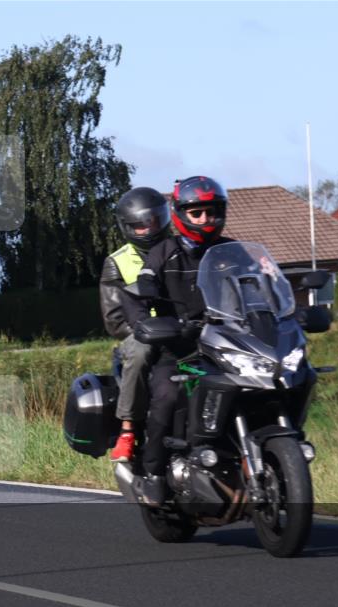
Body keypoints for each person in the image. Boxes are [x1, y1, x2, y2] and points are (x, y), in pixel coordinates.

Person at [130, 176, 235, 506]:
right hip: (179, 349)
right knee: (166, 395)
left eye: (212, 212)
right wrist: (151, 324)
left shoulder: (231, 252)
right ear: (181, 214)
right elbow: (139, 289)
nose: (206, 220)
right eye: (197, 213)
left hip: (227, 346)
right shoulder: (164, 253)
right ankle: (154, 474)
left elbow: (260, 284)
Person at [100, 187, 169, 463]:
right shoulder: (116, 263)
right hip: (142, 334)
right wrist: (150, 332)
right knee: (140, 352)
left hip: (184, 329)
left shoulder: (179, 250)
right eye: (139, 226)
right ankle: (128, 429)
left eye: (152, 222)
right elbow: (115, 321)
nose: (148, 230)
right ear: (127, 227)